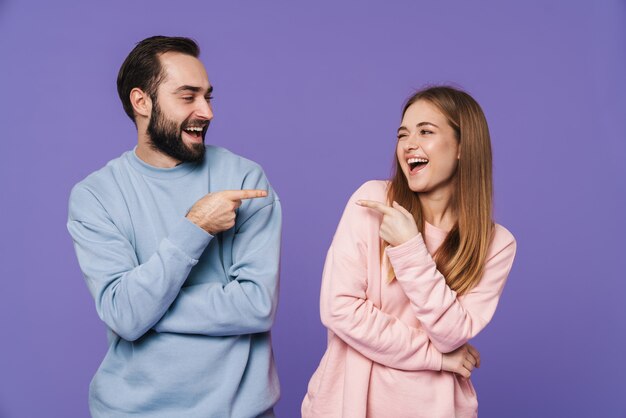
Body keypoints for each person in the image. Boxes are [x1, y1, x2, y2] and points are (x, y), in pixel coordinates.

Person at [67, 36, 281, 418]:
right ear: (141, 101)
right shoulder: (95, 196)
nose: (207, 112)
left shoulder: (245, 178)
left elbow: (256, 305)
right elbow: (124, 314)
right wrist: (195, 226)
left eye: (208, 97)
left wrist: (145, 308)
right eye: (188, 97)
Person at [302, 86, 516, 418]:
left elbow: (451, 334)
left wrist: (410, 249)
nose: (408, 144)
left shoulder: (496, 244)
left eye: (426, 131)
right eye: (403, 134)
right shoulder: (373, 203)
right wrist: (438, 359)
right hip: (348, 405)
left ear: (463, 146)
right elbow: (340, 310)